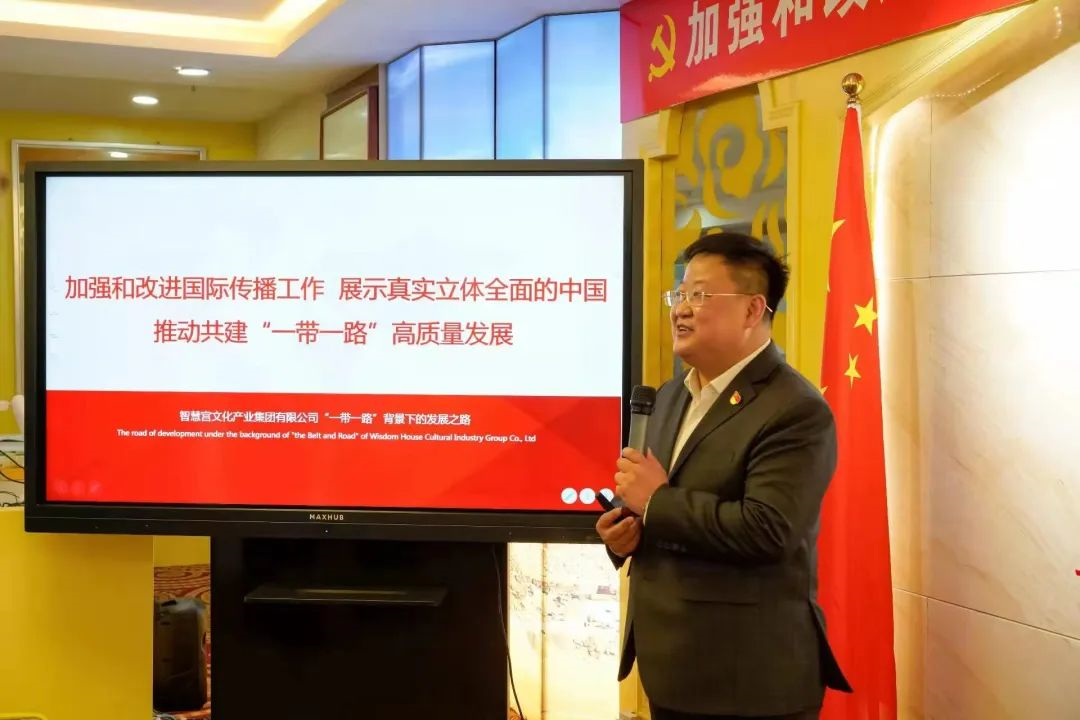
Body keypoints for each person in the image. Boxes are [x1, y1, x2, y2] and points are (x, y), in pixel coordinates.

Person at [597, 231, 851, 720]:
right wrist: (623, 531)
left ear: (753, 310)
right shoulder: (670, 395)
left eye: (699, 295)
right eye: (679, 294)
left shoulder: (795, 409)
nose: (680, 310)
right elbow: (649, 502)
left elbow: (768, 529)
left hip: (747, 680)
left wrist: (656, 503)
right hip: (671, 667)